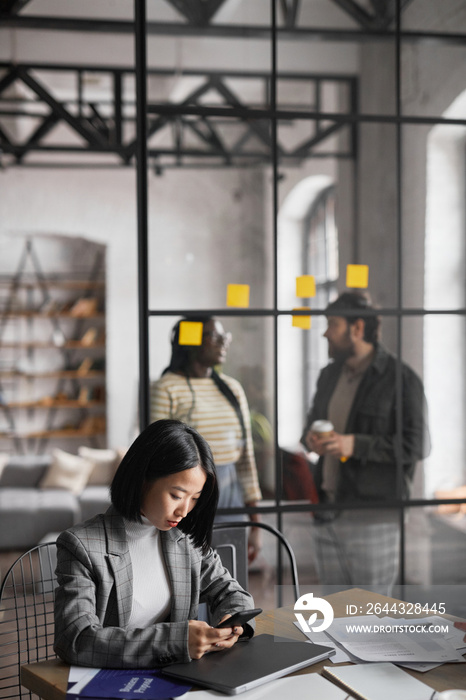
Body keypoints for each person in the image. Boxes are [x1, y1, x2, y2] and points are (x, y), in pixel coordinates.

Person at [54, 419, 255, 668]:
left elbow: (232, 593)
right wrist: (176, 642)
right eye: (176, 496)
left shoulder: (185, 539)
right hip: (111, 683)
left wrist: (233, 623)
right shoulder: (82, 546)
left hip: (182, 679)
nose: (184, 511)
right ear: (142, 480)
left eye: (195, 499)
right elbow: (75, 639)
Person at [301, 291, 430, 588]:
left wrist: (354, 445)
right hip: (328, 509)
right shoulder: (328, 375)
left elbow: (417, 445)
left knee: (369, 615)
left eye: (332, 324)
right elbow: (310, 424)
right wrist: (311, 439)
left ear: (357, 329)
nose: (325, 333)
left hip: (374, 518)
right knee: (332, 612)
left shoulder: (402, 379)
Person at [150, 316, 262, 562]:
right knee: (192, 580)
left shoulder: (232, 388)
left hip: (232, 493)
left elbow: (246, 458)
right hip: (188, 497)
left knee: (231, 578)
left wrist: (256, 524)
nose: (223, 342)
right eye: (214, 336)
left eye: (225, 336)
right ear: (190, 341)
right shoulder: (167, 387)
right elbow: (156, 458)